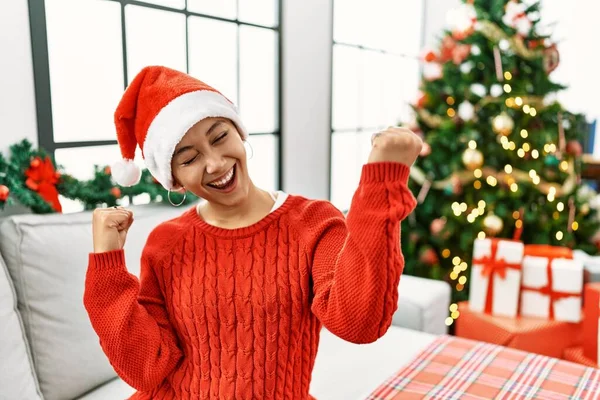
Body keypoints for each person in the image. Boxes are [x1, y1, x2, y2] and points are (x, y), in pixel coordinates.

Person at [84, 65, 421, 400]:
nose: (215, 163)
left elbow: (360, 323)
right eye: (189, 159)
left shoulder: (313, 222)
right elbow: (145, 368)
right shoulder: (165, 242)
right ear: (173, 179)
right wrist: (106, 265)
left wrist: (383, 180)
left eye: (219, 137)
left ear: (240, 132)